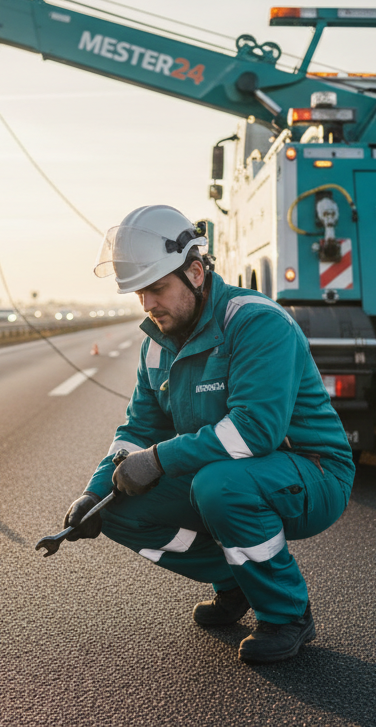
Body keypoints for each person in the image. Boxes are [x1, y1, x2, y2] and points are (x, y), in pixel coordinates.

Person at [61, 204, 355, 664]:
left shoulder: (255, 322)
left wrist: (158, 461)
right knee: (114, 509)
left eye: (157, 289)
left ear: (196, 272)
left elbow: (254, 431)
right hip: (226, 473)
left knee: (218, 485)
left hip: (312, 472)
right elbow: (138, 429)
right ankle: (241, 577)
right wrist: (94, 492)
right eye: (140, 293)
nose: (148, 304)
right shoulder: (156, 346)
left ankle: (287, 615)